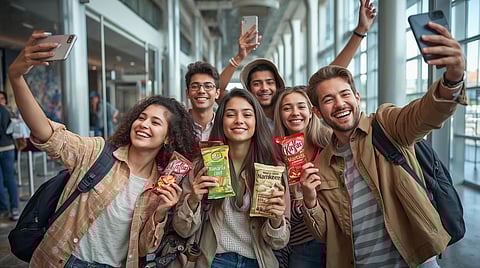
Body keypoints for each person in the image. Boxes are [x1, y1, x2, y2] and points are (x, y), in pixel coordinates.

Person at [8, 31, 199, 268]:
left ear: (169, 138)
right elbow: (47, 134)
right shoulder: (97, 153)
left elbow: (144, 248)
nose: (144, 125)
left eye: (155, 122)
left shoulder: (159, 185)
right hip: (62, 260)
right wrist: (16, 77)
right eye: (142, 117)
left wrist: (161, 211)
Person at [302, 21, 466, 267]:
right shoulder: (322, 163)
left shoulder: (386, 125)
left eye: (345, 94)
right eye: (328, 99)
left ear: (357, 97)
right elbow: (326, 234)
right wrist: (310, 200)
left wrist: (452, 79)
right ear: (316, 112)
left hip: (415, 260)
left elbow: (424, 114)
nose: (339, 104)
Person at [172, 89, 290, 268]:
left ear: (257, 121)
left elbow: (279, 242)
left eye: (247, 114)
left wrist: (276, 219)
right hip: (214, 260)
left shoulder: (274, 169)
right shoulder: (202, 165)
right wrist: (193, 199)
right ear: (221, 121)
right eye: (230, 114)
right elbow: (182, 229)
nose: (239, 120)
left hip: (258, 262)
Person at [219, 0, 377, 129]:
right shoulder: (246, 110)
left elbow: (331, 72)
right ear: (249, 88)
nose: (264, 88)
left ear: (278, 84)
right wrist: (239, 58)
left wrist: (360, 31)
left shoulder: (291, 102)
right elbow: (217, 90)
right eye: (257, 83)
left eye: (269, 82)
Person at [272, 86, 332, 267]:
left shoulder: (329, 143)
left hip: (333, 236)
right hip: (296, 241)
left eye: (301, 106)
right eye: (287, 108)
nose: (295, 113)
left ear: (312, 111)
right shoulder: (273, 152)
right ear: (280, 115)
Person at [185, 61, 221, 141]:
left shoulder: (224, 126)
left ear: (217, 93)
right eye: (195, 86)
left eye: (208, 86)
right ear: (187, 93)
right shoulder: (175, 125)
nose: (201, 91)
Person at [0, 102, 19, 221]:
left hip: (4, 147)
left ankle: (3, 209)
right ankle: (14, 208)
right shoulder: (6, 110)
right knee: (10, 178)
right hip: (8, 147)